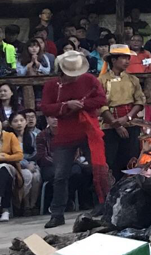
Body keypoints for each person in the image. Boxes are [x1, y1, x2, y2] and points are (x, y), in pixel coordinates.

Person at [38, 50, 108, 226]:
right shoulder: (52, 85)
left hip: (87, 129)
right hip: (65, 132)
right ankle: (57, 213)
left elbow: (101, 99)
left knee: (98, 167)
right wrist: (65, 105)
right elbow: (46, 108)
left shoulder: (90, 80)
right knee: (60, 175)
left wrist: (82, 105)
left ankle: (103, 203)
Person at [98, 44, 145, 180]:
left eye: (128, 58)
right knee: (112, 161)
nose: (127, 61)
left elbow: (140, 101)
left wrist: (128, 118)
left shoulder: (133, 79)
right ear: (113, 60)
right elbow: (101, 105)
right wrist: (116, 124)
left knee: (132, 159)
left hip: (131, 123)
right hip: (109, 125)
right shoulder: (102, 80)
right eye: (123, 58)